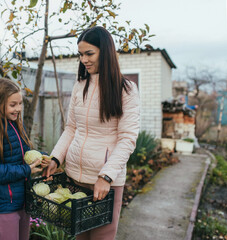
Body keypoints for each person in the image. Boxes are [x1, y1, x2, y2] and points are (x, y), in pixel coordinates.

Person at [45, 26, 140, 240]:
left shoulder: (126, 90)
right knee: (80, 237)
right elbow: (71, 128)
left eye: (89, 53)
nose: (84, 60)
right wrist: (55, 158)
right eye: (80, 54)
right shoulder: (80, 85)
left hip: (104, 183)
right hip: (76, 178)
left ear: (105, 52)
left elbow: (127, 139)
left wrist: (105, 177)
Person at [0, 78, 44, 240]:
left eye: (20, 104)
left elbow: (24, 156)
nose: (18, 109)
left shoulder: (16, 125)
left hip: (22, 202)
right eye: (13, 105)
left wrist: (41, 160)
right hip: (5, 205)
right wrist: (26, 169)